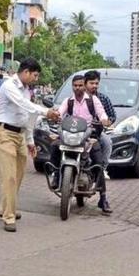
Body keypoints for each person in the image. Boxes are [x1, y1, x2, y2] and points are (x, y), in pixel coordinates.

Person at [0, 57, 59, 232]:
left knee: (19, 175)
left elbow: (28, 117)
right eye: (35, 75)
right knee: (10, 177)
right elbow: (24, 105)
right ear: (26, 72)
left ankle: (4, 207)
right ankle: (9, 216)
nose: (35, 79)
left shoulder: (27, 91)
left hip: (20, 135)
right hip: (4, 134)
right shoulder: (9, 86)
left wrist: (30, 141)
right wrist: (47, 112)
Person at [50, 75, 113, 214]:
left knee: (98, 163)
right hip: (70, 135)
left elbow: (102, 113)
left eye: (80, 85)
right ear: (72, 87)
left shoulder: (92, 100)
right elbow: (60, 113)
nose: (78, 88)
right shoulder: (68, 101)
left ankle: (103, 198)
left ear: (84, 86)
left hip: (88, 136)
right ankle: (56, 175)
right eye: (75, 86)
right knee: (54, 146)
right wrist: (55, 116)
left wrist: (104, 120)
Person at [84, 70, 116, 179]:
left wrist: (107, 122)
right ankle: (59, 172)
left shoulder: (103, 99)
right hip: (79, 132)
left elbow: (111, 116)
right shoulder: (77, 99)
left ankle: (102, 169)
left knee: (107, 142)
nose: (94, 86)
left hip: (97, 133)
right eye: (91, 83)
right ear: (85, 83)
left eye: (96, 83)